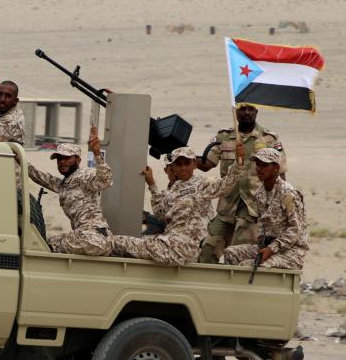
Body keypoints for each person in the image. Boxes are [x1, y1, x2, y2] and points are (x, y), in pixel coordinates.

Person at [111, 145, 245, 266]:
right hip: (170, 242)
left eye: (187, 163)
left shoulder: (202, 185)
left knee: (118, 242)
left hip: (185, 247)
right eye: (179, 164)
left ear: (194, 165)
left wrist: (238, 164)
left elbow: (225, 185)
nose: (183, 167)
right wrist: (152, 184)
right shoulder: (172, 191)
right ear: (173, 167)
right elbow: (160, 213)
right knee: (124, 243)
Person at [196, 104, 286, 263]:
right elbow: (206, 164)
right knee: (207, 251)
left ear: (256, 112)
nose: (246, 113)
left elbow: (280, 175)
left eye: (250, 109)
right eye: (242, 109)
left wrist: (275, 209)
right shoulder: (224, 137)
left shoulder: (268, 139)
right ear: (235, 112)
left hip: (253, 210)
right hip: (226, 208)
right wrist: (183, 155)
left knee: (237, 256)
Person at [27, 127, 112, 256]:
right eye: (59, 158)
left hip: (93, 237)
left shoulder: (83, 175)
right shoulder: (64, 184)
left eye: (67, 158)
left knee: (46, 245)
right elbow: (39, 177)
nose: (62, 162)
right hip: (82, 236)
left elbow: (105, 181)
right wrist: (18, 159)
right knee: (43, 243)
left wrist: (97, 153)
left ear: (78, 160)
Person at [223, 148, 308, 269]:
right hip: (268, 247)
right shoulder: (260, 194)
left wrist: (271, 249)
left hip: (291, 252)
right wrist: (263, 243)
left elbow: (295, 230)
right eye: (258, 164)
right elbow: (262, 224)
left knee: (246, 266)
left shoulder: (288, 194)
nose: (259, 168)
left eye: (265, 165)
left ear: (276, 168)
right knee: (230, 253)